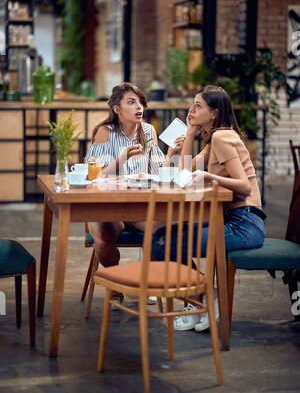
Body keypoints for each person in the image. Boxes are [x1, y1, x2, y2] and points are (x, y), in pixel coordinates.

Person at [152, 85, 266, 330]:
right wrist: (191, 132)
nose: (191, 109)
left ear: (214, 113)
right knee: (160, 236)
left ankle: (201, 297)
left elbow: (244, 187)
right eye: (192, 104)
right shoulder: (213, 140)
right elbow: (183, 175)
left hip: (245, 223)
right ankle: (201, 299)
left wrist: (210, 177)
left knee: (165, 244)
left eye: (198, 106)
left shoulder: (221, 137)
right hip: (230, 219)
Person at [85, 82, 184, 303]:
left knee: (161, 231)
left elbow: (159, 172)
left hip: (138, 206)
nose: (139, 107)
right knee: (104, 236)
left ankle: (147, 281)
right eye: (131, 102)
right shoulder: (104, 133)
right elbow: (93, 176)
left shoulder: (147, 131)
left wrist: (171, 153)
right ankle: (117, 281)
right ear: (117, 108)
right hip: (105, 205)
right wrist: (123, 158)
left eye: (140, 102)